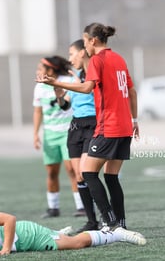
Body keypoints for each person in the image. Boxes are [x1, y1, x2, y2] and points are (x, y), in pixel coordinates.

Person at [36, 23, 139, 231]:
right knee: (110, 178)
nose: (84, 46)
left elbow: (86, 87)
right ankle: (121, 223)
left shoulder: (97, 61)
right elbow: (132, 91)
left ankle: (109, 222)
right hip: (125, 127)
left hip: (107, 126)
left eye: (84, 41)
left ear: (93, 41)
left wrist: (57, 84)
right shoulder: (119, 58)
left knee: (87, 173)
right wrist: (135, 121)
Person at [0, 186, 146, 256]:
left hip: (26, 237)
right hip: (21, 239)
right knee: (66, 239)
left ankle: (116, 233)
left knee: (76, 244)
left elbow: (9, 219)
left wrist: (6, 249)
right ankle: (57, 231)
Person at [33, 56, 85, 218]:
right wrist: (35, 133)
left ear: (50, 70)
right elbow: (38, 111)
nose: (37, 72)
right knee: (52, 172)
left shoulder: (67, 80)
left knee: (72, 170)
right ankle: (53, 208)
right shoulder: (39, 87)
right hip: (50, 135)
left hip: (68, 132)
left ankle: (81, 206)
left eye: (40, 69)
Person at [59, 39, 100, 233]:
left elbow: (95, 93)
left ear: (82, 52)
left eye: (71, 53)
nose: (70, 58)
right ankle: (92, 221)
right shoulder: (71, 78)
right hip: (75, 126)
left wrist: (79, 84)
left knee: (86, 173)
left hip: (92, 124)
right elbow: (65, 105)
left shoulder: (94, 73)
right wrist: (60, 94)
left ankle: (107, 215)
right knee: (78, 177)